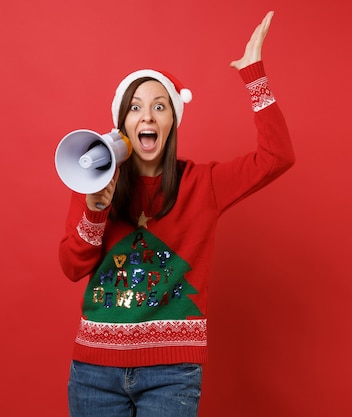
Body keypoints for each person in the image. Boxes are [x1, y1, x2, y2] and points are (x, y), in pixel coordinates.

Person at [58, 10, 294, 417]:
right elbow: (71, 266)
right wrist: (96, 211)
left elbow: (277, 156)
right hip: (95, 371)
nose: (147, 116)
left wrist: (254, 74)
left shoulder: (204, 184)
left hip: (171, 374)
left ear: (172, 121)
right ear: (122, 125)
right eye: (135, 108)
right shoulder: (94, 177)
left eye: (159, 106)